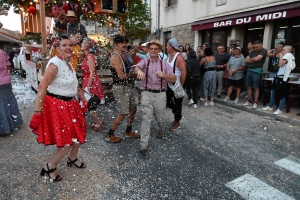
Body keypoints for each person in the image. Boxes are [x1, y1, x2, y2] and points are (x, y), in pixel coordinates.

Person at [29, 35, 87, 182]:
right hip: (58, 106)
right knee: (69, 140)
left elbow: (75, 85)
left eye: (70, 45)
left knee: (79, 134)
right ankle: (50, 166)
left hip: (71, 105)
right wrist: (38, 111)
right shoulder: (55, 63)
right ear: (57, 48)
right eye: (64, 45)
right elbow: (42, 86)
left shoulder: (68, 63)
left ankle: (72, 158)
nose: (68, 47)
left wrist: (84, 99)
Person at [132, 39, 176, 155]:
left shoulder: (164, 64)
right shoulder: (145, 62)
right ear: (148, 50)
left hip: (161, 94)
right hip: (146, 93)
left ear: (159, 50)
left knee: (160, 118)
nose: (153, 50)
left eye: (155, 49)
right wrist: (139, 71)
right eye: (151, 48)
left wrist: (164, 75)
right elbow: (136, 67)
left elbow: (174, 78)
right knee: (146, 118)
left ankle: (161, 131)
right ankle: (143, 145)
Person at [106, 35, 140, 143]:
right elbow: (121, 75)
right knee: (123, 112)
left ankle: (128, 131)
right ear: (116, 45)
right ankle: (109, 134)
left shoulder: (125, 55)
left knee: (133, 109)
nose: (124, 44)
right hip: (120, 88)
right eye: (121, 43)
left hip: (127, 86)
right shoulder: (116, 57)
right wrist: (135, 76)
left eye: (125, 42)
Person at [262, 45, 295, 115]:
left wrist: (280, 56)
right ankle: (270, 106)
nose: (282, 51)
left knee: (281, 94)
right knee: (273, 92)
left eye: (283, 50)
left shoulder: (288, 55)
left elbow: (280, 64)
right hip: (278, 76)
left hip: (282, 78)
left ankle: (280, 109)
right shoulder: (286, 55)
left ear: (288, 51)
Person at [81, 37, 105, 131]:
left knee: (89, 104)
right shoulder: (87, 56)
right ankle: (97, 121)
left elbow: (92, 73)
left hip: (91, 82)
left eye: (83, 43)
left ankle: (98, 121)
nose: (81, 44)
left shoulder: (90, 57)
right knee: (89, 103)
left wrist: (88, 86)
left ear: (88, 46)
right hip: (88, 80)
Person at [0, 49, 23, 135]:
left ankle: (4, 128)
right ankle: (13, 123)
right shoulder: (2, 52)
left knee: (1, 105)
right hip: (6, 82)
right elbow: (8, 66)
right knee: (9, 102)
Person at [166, 38, 186, 130]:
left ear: (171, 46)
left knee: (178, 104)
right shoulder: (169, 56)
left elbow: (184, 72)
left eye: (167, 45)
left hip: (177, 84)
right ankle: (178, 114)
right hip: (169, 84)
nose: (166, 47)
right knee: (168, 101)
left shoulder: (179, 57)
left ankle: (177, 122)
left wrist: (180, 85)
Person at [243, 40, 268, 109]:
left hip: (257, 71)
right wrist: (254, 60)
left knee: (256, 87)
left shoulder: (264, 51)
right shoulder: (253, 51)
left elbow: (258, 58)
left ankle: (255, 102)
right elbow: (246, 60)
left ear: (261, 45)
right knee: (248, 87)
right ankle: (249, 101)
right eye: (254, 47)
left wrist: (252, 60)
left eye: (257, 47)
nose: (255, 48)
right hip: (249, 70)